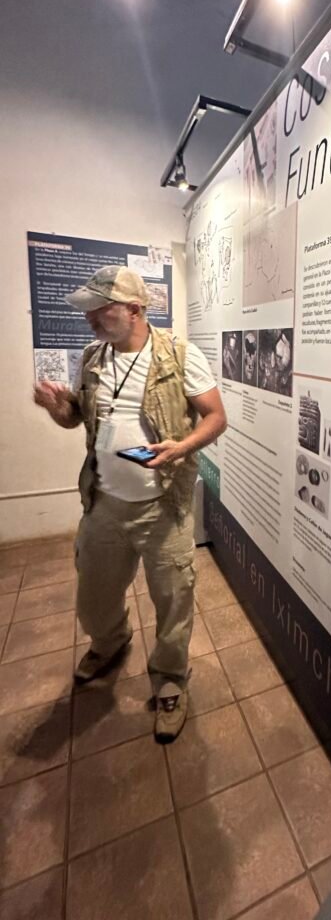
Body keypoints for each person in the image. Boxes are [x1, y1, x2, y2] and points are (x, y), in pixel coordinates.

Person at [33, 265, 226, 743]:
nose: (90, 318)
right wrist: (57, 407)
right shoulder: (92, 356)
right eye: (88, 310)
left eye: (100, 310)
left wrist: (182, 447)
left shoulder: (179, 354)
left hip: (164, 505)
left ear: (135, 309)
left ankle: (170, 680)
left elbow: (215, 418)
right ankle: (111, 642)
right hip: (104, 502)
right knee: (94, 597)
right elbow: (76, 419)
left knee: (173, 601)